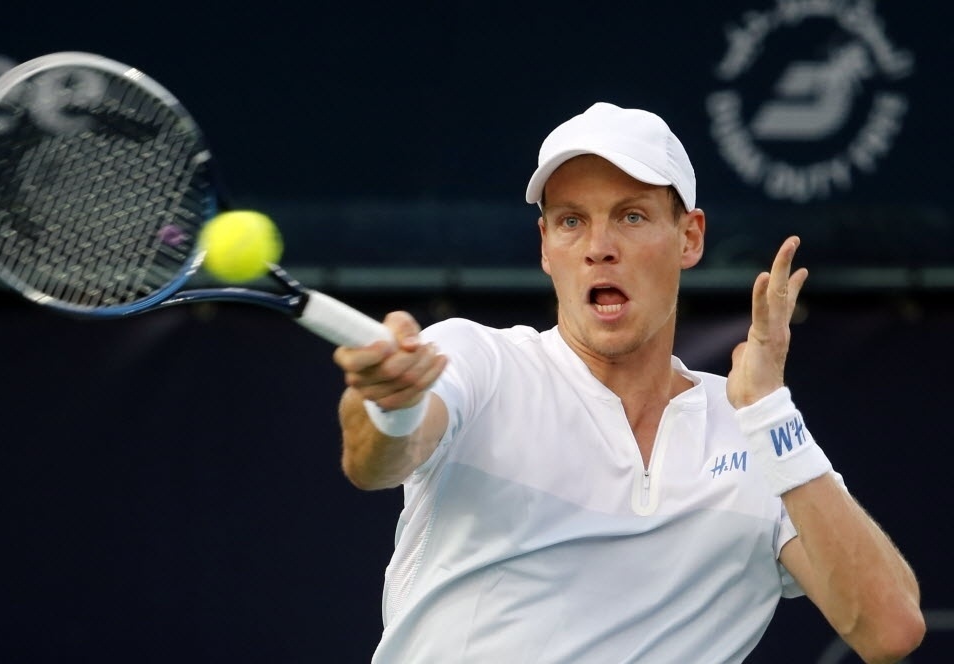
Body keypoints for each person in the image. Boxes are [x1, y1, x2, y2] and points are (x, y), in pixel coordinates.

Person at [332, 102, 924, 663]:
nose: (599, 249)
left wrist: (769, 414)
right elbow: (376, 460)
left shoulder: (759, 433)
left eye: (631, 216)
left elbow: (889, 630)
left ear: (689, 237)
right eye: (571, 222)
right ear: (546, 247)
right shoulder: (480, 360)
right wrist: (393, 403)